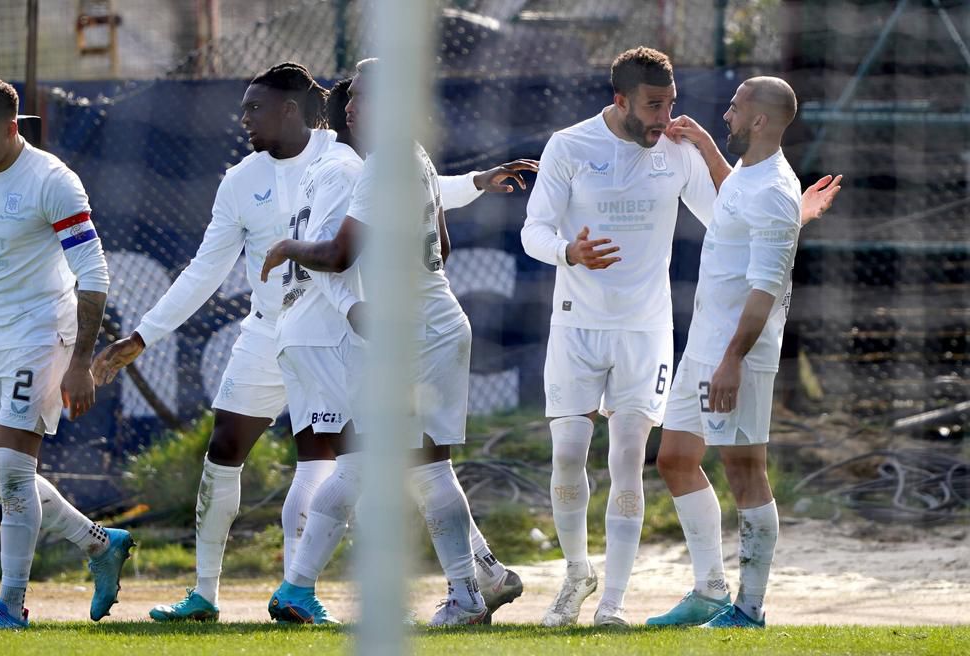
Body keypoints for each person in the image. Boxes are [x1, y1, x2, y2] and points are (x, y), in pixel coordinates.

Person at [521, 48, 841, 627]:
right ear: (620, 100)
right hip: (613, 329)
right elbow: (735, 210)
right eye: (654, 105)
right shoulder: (573, 146)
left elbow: (750, 233)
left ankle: (653, 606)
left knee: (678, 463)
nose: (668, 118)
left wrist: (793, 214)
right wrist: (567, 252)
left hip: (685, 339)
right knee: (629, 458)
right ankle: (629, 580)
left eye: (672, 104)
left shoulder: (698, 159)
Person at [260, 59, 528, 626]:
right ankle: (297, 590)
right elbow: (442, 249)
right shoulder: (413, 156)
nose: (350, 106)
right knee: (360, 458)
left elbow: (337, 255)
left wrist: (288, 247)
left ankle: (466, 596)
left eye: (361, 97)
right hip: (422, 323)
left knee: (423, 466)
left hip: (421, 333)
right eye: (351, 97)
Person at [93, 62, 339, 623]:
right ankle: (204, 595)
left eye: (255, 107)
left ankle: (299, 592)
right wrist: (141, 337)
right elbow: (205, 269)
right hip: (265, 330)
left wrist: (472, 184)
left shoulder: (341, 159)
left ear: (290, 110)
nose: (243, 118)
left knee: (318, 462)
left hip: (330, 336)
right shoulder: (240, 178)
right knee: (223, 449)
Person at [0, 78, 133, 630]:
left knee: (9, 469)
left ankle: (9, 606)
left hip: (43, 331)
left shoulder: (53, 181)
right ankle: (99, 542)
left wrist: (79, 361)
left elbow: (94, 276)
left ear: (10, 127)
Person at [645, 76, 809, 630]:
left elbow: (767, 287)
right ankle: (709, 590)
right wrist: (707, 149)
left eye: (734, 109)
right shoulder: (748, 174)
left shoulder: (774, 190)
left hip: (738, 356)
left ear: (759, 121)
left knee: (746, 472)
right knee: (673, 458)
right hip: (704, 348)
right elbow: (729, 200)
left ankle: (749, 610)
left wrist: (733, 360)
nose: (726, 115)